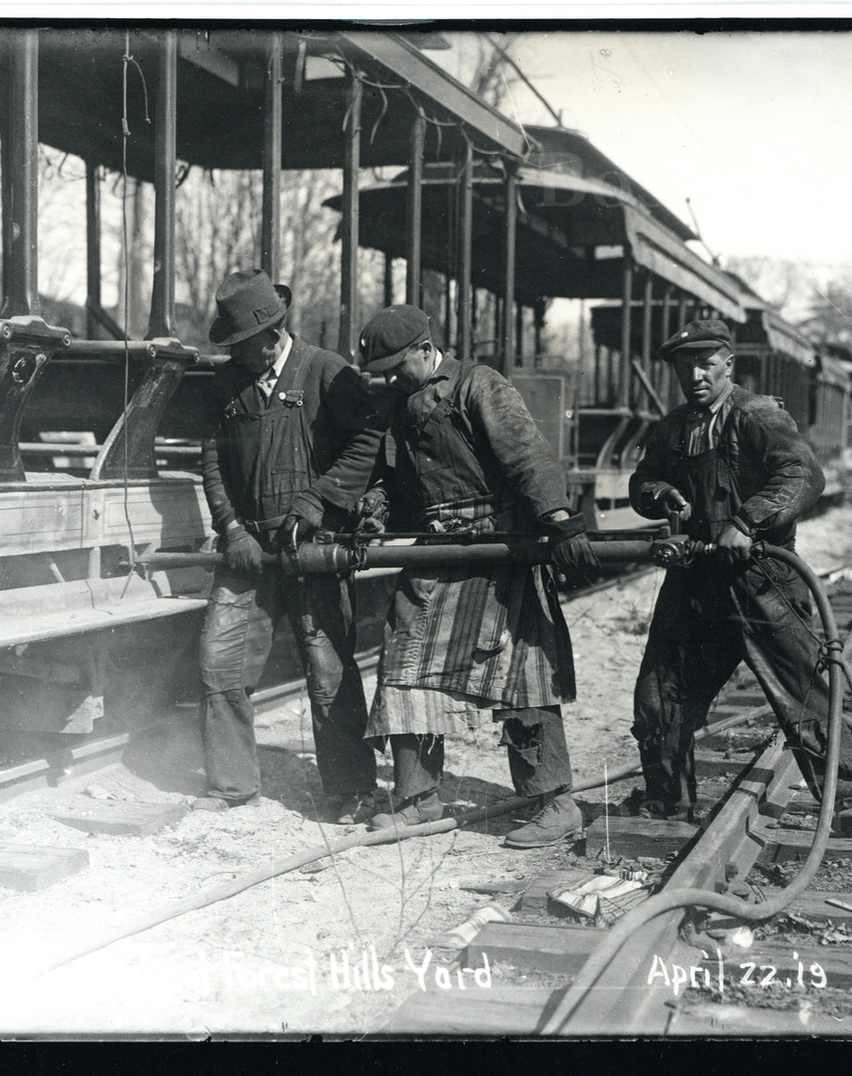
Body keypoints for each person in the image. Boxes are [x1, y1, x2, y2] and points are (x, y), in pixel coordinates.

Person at [354, 304, 599, 848]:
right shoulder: (398, 405)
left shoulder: (477, 385)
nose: (391, 378)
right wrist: (375, 504)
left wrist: (558, 522)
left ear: (426, 348)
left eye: (399, 366)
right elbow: (397, 484)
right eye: (384, 371)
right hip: (437, 550)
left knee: (521, 674)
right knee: (402, 663)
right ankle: (418, 799)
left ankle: (553, 802)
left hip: (499, 546)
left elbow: (527, 457)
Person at [627, 318, 852, 837]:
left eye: (705, 363)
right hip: (696, 581)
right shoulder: (673, 427)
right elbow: (641, 481)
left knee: (804, 695)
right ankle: (668, 801)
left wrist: (749, 521)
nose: (695, 374)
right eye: (684, 365)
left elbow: (804, 475)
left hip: (761, 580)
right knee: (660, 694)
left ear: (728, 363)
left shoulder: (757, 415)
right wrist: (658, 493)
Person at [197, 268, 387, 824]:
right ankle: (232, 784)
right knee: (219, 661)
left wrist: (315, 504)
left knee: (328, 669)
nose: (238, 356)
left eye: (244, 345)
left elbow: (367, 444)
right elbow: (211, 457)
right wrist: (230, 526)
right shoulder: (228, 383)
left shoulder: (327, 372)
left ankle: (350, 789)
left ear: (273, 334)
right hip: (249, 547)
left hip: (314, 543)